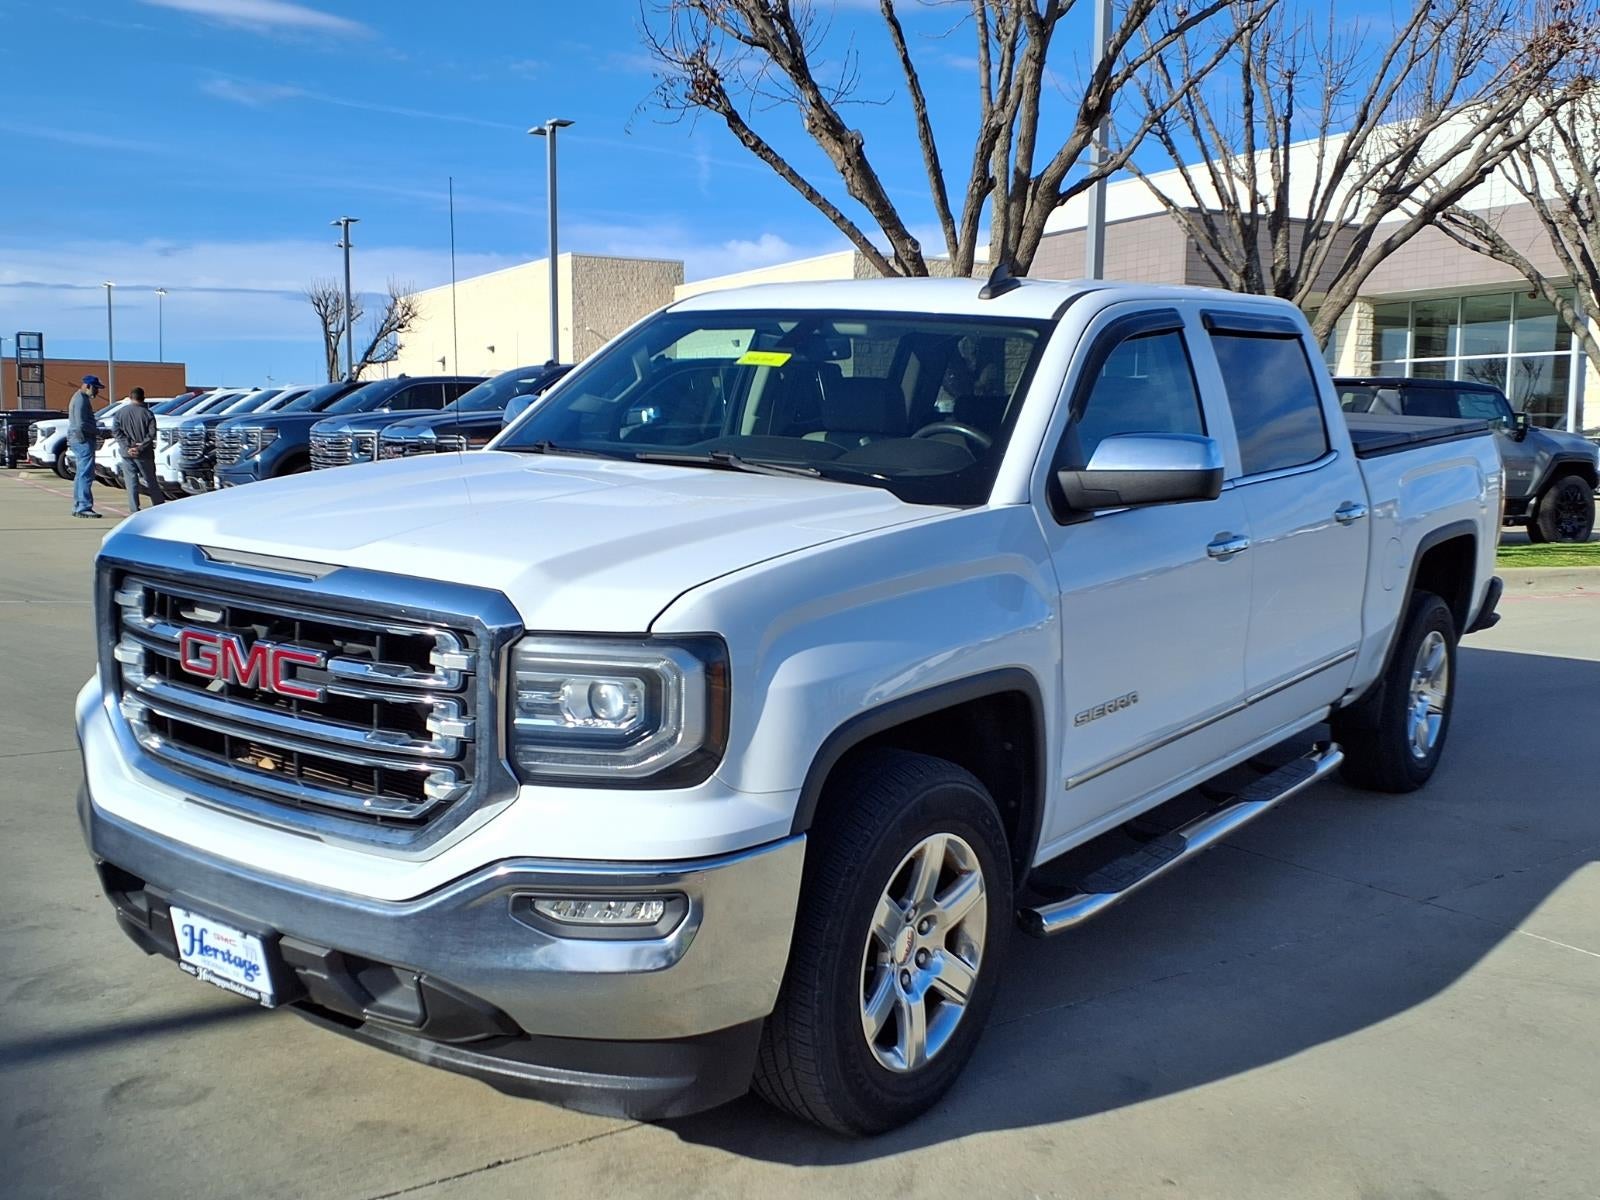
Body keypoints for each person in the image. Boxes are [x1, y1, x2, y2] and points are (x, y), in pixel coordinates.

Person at [113, 387, 166, 513]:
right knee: (151, 481)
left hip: (127, 454)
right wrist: (140, 447)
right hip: (144, 454)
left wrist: (127, 447)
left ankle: (134, 509)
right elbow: (152, 434)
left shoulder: (120, 413)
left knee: (131, 483)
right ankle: (159, 507)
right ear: (143, 398)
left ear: (130, 397)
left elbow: (116, 432)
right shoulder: (148, 414)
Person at [66, 375, 104, 518]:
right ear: (88, 386)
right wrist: (97, 431)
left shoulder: (79, 398)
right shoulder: (81, 400)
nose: (97, 392)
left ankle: (79, 506)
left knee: (81, 474)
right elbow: (81, 424)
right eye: (96, 388)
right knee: (85, 475)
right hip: (83, 440)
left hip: (79, 439)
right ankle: (83, 506)